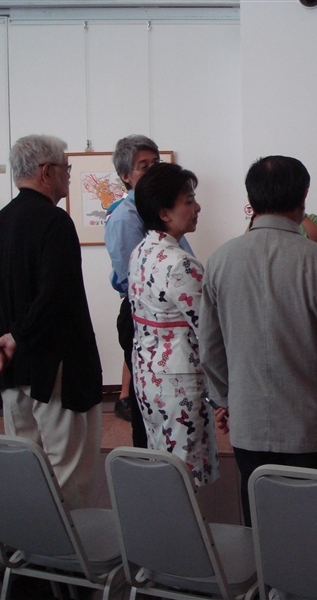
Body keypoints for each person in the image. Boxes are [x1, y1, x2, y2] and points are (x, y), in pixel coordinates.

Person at [199, 155, 317, 525]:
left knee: (260, 526)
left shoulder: (220, 261)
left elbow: (209, 349)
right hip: (313, 425)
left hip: (248, 424)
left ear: (251, 198)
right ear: (303, 196)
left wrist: (226, 399)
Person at [0, 134, 103, 510]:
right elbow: (55, 295)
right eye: (66, 168)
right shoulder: (55, 222)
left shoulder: (0, 222)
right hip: (55, 369)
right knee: (69, 473)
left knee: (25, 468)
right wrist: (15, 337)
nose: (69, 175)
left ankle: (29, 542)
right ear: (47, 172)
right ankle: (73, 547)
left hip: (12, 370)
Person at [127, 162, 218, 487]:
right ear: (165, 213)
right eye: (189, 201)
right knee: (184, 474)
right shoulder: (181, 263)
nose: (197, 208)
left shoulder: (141, 251)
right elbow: (211, 331)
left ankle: (162, 518)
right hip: (179, 382)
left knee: (163, 464)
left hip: (147, 374)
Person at [105, 135, 195, 447]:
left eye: (156, 163)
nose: (153, 169)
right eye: (143, 166)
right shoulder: (125, 217)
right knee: (151, 412)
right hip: (146, 311)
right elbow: (133, 279)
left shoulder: (163, 218)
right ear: (125, 176)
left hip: (171, 314)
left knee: (167, 412)